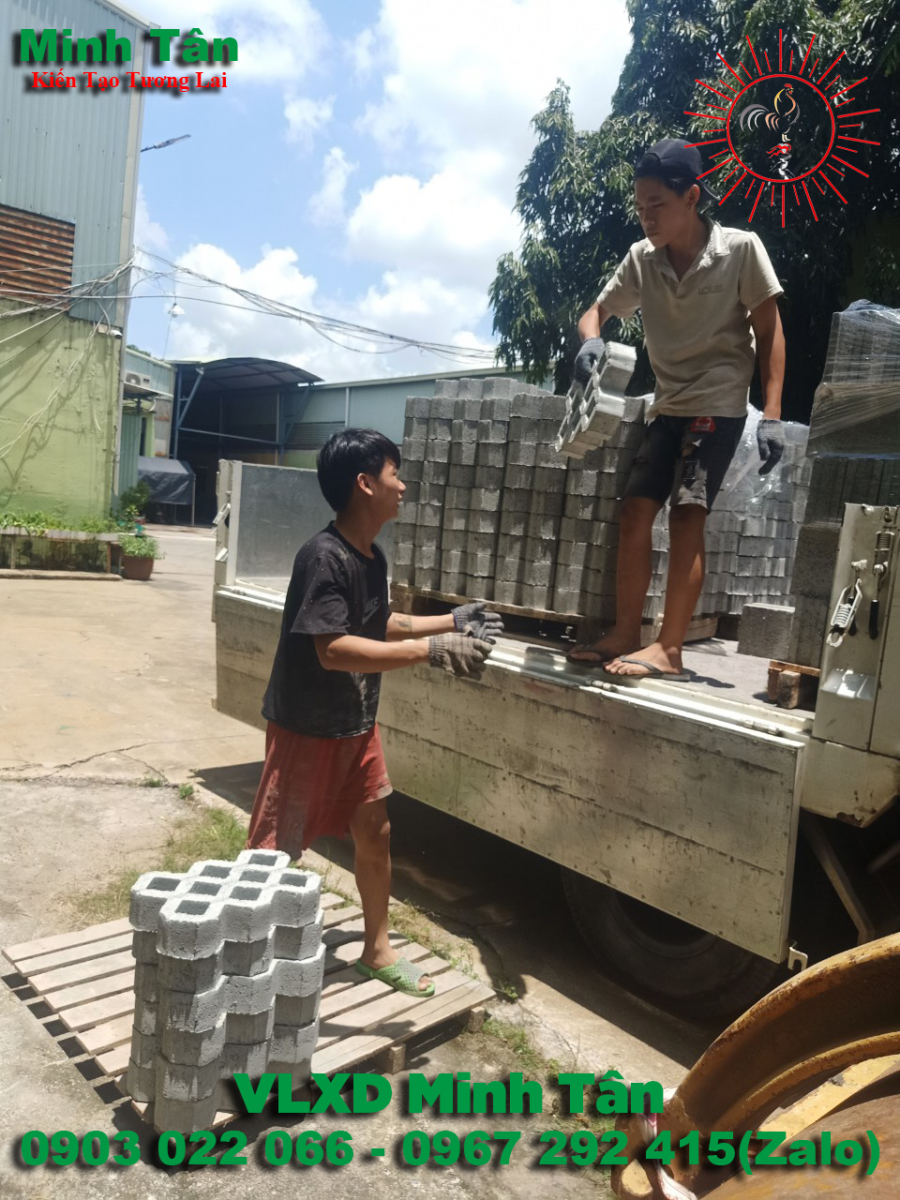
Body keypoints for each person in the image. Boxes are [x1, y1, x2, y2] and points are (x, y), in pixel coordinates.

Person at [246, 427, 502, 998]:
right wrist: (431, 651)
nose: (403, 486)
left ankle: (377, 950)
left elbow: (376, 623)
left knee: (376, 832)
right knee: (275, 849)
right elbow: (333, 649)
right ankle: (242, 952)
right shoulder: (323, 556)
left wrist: (453, 620)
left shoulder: (370, 556)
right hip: (306, 727)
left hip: (357, 724)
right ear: (365, 484)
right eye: (394, 474)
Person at [568, 138, 786, 679]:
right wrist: (590, 340)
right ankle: (626, 633)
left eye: (657, 205)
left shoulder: (740, 250)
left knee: (688, 513)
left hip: (717, 404)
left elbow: (770, 333)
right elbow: (595, 312)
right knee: (634, 511)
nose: (647, 217)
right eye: (640, 207)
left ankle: (669, 650)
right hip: (667, 406)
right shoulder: (642, 260)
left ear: (691, 197)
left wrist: (773, 415)